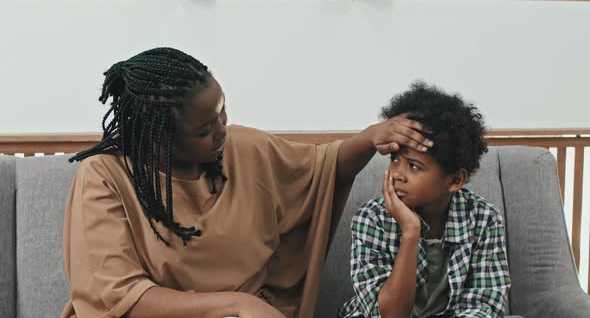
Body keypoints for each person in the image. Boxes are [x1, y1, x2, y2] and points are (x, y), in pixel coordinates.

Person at [60, 47, 433, 318]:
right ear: (160, 139)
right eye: (205, 129)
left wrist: (370, 137)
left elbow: (323, 168)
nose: (223, 130)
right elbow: (121, 297)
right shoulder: (105, 177)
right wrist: (237, 303)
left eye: (223, 111)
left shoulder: (243, 148)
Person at [338, 82, 511, 318]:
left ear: (455, 180)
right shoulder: (372, 218)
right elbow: (387, 315)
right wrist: (410, 231)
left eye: (413, 166)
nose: (398, 174)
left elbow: (484, 306)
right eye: (395, 160)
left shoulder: (484, 220)